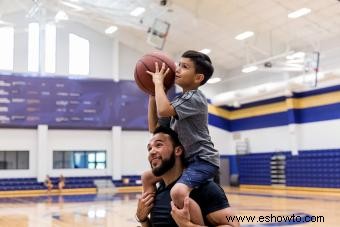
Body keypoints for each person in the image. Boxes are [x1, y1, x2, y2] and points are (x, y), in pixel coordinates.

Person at [142, 50, 220, 223]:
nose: (177, 69)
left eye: (184, 67)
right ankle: (150, 214)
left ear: (198, 78)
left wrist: (157, 83)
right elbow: (154, 127)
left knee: (178, 192)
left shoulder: (195, 97)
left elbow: (163, 110)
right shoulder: (180, 100)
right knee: (147, 177)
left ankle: (192, 225)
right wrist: (152, 94)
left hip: (203, 160)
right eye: (178, 64)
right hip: (186, 161)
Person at [136, 126, 239, 227]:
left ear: (178, 150)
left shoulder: (205, 188)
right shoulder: (158, 192)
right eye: (149, 148)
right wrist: (143, 220)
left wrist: (187, 225)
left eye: (158, 145)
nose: (152, 152)